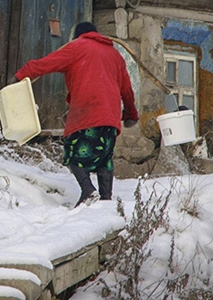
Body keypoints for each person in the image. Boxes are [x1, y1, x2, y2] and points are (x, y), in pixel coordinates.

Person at [14, 21, 138, 206]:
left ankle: (88, 191)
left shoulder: (77, 47)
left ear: (78, 35)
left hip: (88, 113)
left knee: (73, 153)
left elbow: (46, 64)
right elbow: (127, 90)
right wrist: (130, 113)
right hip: (110, 119)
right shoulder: (115, 55)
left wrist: (21, 75)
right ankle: (106, 202)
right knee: (104, 158)